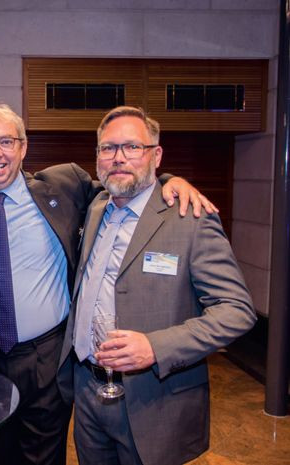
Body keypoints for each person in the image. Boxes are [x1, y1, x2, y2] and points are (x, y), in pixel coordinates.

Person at [0, 103, 213, 465]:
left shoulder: (64, 185)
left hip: (47, 357)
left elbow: (124, 181)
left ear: (23, 147)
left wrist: (169, 180)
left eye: (6, 141)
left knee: (45, 457)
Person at [57, 106, 256, 465]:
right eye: (108, 148)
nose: (119, 157)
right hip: (87, 392)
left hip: (154, 400)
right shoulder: (96, 207)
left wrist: (155, 347)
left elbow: (236, 311)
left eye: (133, 147)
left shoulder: (190, 219)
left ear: (156, 155)